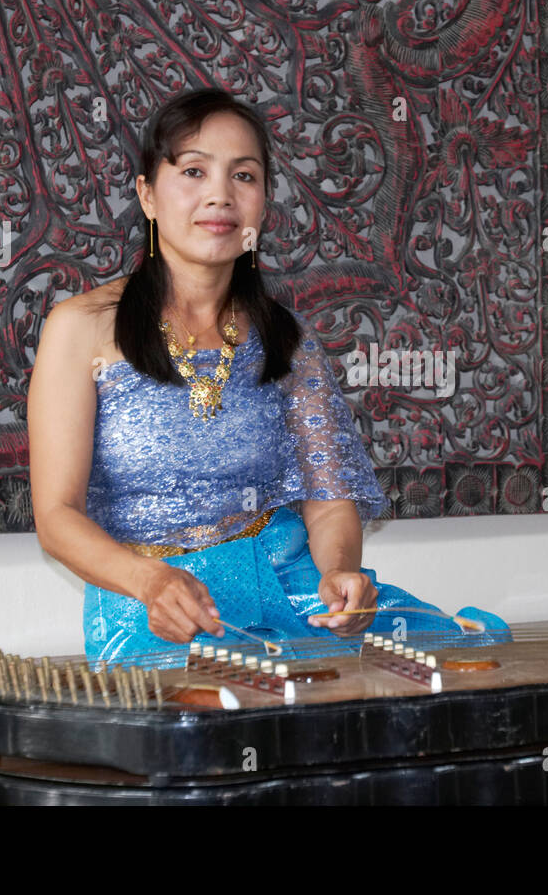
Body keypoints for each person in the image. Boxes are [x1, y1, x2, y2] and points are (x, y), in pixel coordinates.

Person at [27, 87, 510, 665]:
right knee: (215, 715)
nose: (219, 196)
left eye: (244, 176)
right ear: (147, 195)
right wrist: (149, 581)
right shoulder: (80, 327)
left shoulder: (286, 339)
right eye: (194, 171)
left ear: (263, 202)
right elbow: (57, 517)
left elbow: (329, 499)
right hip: (155, 605)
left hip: (288, 582)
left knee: (446, 662)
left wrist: (340, 574)